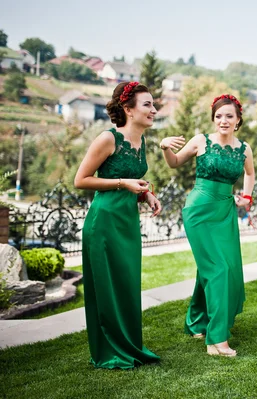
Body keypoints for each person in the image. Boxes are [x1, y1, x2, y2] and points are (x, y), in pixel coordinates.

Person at [74, 81, 162, 369]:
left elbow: (132, 179)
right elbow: (81, 180)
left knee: (127, 285)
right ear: (128, 109)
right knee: (108, 288)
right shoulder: (107, 138)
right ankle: (111, 350)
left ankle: (130, 345)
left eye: (153, 104)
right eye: (147, 104)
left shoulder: (141, 141)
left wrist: (146, 193)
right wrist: (123, 183)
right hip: (104, 224)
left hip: (127, 223)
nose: (154, 109)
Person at [160, 94, 255, 357]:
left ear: (238, 120)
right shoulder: (201, 141)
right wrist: (165, 147)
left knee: (217, 269)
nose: (223, 120)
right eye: (218, 116)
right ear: (213, 119)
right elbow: (175, 163)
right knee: (219, 270)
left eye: (229, 116)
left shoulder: (244, 148)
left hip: (225, 212)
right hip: (199, 211)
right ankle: (217, 340)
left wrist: (246, 197)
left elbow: (250, 173)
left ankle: (195, 322)